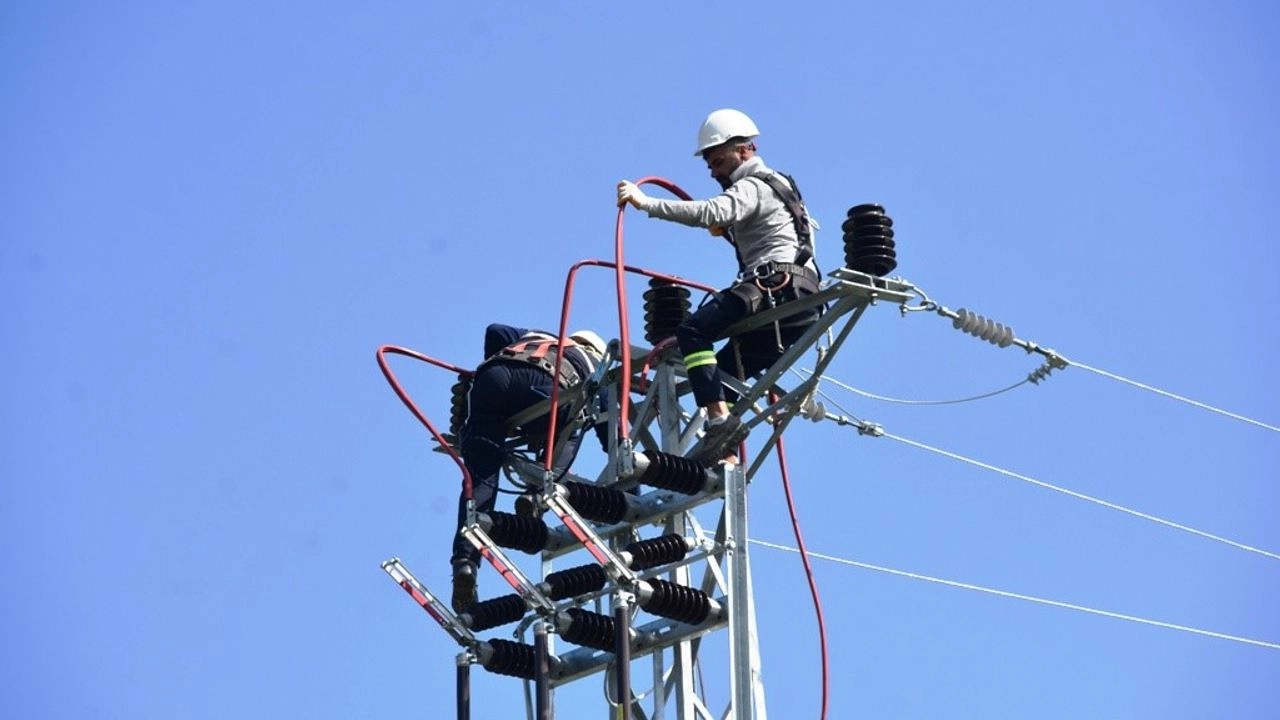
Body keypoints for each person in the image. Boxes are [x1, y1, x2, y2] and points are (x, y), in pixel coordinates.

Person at [616, 108, 822, 464]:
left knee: (694, 332)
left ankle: (717, 420)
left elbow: (709, 212)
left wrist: (644, 202)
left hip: (773, 286)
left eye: (718, 160)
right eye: (709, 164)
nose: (713, 171)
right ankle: (726, 454)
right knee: (722, 376)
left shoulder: (751, 185)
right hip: (803, 302)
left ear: (745, 150)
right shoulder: (783, 185)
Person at [450, 323, 608, 612]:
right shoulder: (595, 366)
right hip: (549, 387)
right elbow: (610, 432)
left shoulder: (537, 336)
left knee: (480, 476)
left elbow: (494, 330)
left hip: (493, 378)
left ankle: (466, 562)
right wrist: (630, 489)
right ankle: (537, 496)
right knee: (576, 422)